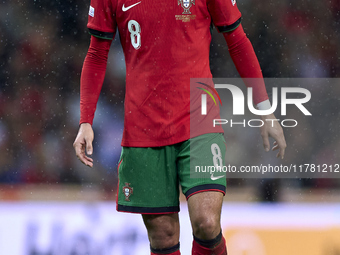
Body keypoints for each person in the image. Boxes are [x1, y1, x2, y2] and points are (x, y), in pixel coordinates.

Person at [73, 0, 287, 254]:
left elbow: (237, 39)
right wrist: (86, 119)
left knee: (207, 223)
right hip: (143, 128)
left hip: (199, 120)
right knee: (163, 236)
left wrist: (264, 107)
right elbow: (97, 53)